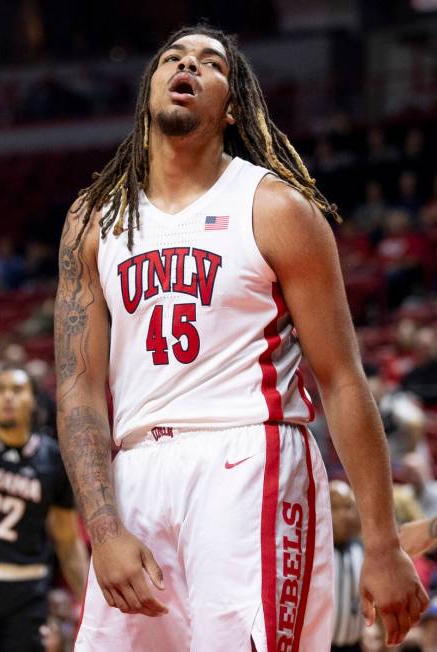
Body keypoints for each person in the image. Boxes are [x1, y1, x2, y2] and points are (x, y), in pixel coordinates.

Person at [54, 25, 428, 652]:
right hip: (137, 467)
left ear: (231, 108)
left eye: (210, 63)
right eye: (173, 57)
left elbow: (341, 380)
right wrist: (104, 525)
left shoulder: (276, 207)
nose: (188, 66)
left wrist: (383, 543)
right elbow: (79, 389)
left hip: (249, 458)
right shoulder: (94, 217)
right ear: (150, 87)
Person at [0, 365, 88, 651]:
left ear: (34, 401)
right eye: (0, 390)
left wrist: (88, 601)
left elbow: (67, 539)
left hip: (25, 588)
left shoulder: (53, 459)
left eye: (17, 390)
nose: (8, 397)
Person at [330, 481, 364, 652]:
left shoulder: (363, 550)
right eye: (334, 507)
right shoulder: (312, 552)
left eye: (348, 507)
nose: (343, 514)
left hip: (355, 645)